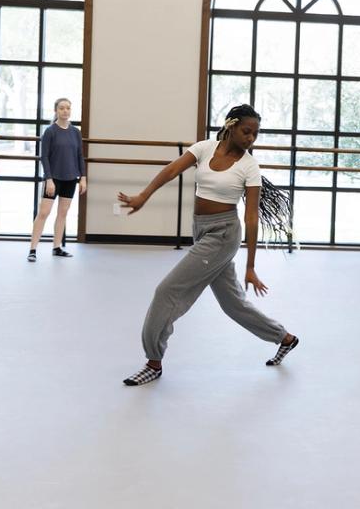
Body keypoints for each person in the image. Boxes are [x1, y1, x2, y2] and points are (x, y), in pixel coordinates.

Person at [118, 103, 299, 386]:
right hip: (201, 230)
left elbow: (251, 218)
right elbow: (171, 170)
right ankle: (285, 338)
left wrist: (250, 266)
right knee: (233, 304)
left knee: (167, 291)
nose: (251, 139)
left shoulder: (249, 167)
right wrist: (144, 196)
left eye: (255, 134)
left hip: (223, 235)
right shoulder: (204, 148)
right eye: (246, 132)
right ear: (231, 126)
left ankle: (153, 361)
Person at [28, 98, 87, 262]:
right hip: (53, 180)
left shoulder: (75, 132)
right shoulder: (50, 131)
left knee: (63, 213)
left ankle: (57, 247)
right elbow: (44, 157)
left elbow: (79, 156)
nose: (65, 111)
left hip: (70, 178)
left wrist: (83, 178)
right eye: (62, 108)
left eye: (68, 108)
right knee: (44, 213)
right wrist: (49, 179)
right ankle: (33, 249)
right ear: (56, 110)